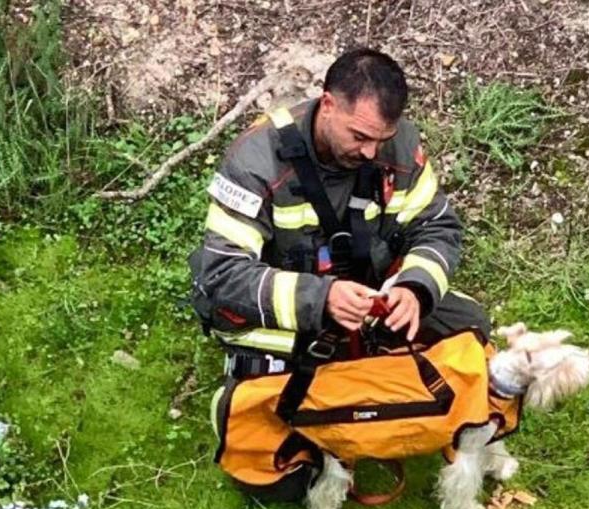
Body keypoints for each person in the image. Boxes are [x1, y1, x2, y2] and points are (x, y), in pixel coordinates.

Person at [188, 47, 489, 381]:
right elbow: (223, 274)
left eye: (381, 139)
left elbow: (437, 226)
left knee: (469, 325)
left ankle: (369, 369)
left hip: (367, 299)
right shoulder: (255, 163)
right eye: (359, 136)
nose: (371, 152)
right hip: (285, 318)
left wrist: (415, 288)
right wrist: (321, 298)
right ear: (328, 105)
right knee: (277, 401)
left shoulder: (400, 145)